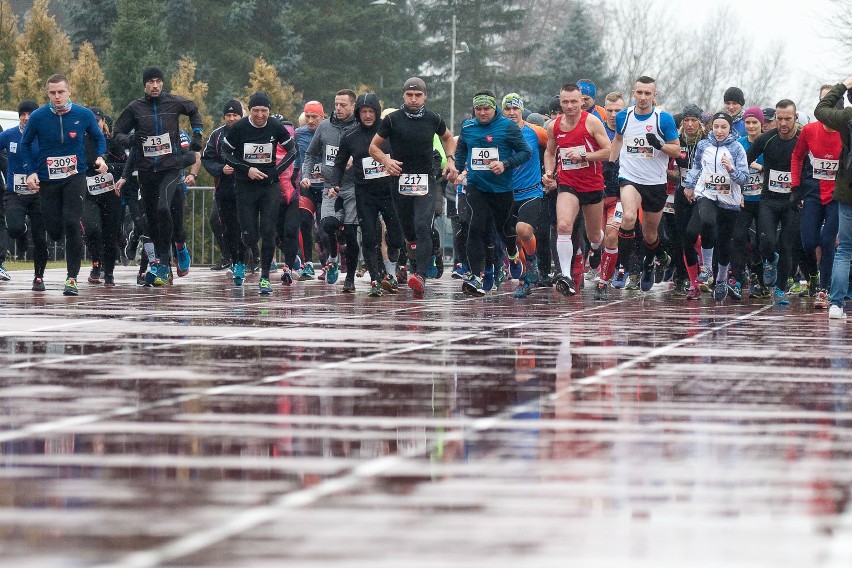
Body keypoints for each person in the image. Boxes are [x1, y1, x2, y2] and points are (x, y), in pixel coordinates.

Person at [113, 66, 204, 285]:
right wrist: (131, 140)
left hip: (170, 168)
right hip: (146, 172)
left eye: (158, 81)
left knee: (165, 208)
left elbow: (194, 110)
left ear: (163, 83)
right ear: (144, 84)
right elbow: (117, 133)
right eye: (150, 82)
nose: (155, 85)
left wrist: (197, 134)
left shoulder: (173, 103)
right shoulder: (135, 108)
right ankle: (165, 262)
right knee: (152, 221)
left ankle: (168, 259)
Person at [19, 74, 107, 296]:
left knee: (71, 223)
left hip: (74, 177)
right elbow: (25, 144)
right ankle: (56, 263)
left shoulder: (83, 114)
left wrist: (100, 157)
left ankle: (72, 278)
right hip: (48, 181)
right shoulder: (38, 117)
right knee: (55, 231)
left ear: (69, 92)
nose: (57, 97)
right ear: (47, 93)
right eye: (52, 93)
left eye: (61, 92)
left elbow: (99, 138)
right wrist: (30, 172)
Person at [369, 77, 456, 297]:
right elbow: (373, 148)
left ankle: (421, 275)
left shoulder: (433, 119)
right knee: (408, 231)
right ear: (403, 96)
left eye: (418, 95)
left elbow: (448, 138)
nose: (414, 99)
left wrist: (451, 159)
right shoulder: (392, 120)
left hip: (425, 180)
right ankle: (418, 256)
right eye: (410, 95)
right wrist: (386, 162)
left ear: (425, 96)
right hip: (400, 180)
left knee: (422, 225)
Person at [449, 89, 531, 296]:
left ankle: (512, 253)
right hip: (477, 187)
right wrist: (459, 169)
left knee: (503, 230)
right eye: (478, 109)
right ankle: (476, 275)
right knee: (477, 227)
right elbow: (461, 150)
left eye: (486, 108)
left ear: (494, 108)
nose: (482, 113)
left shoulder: (507, 126)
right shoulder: (468, 127)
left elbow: (525, 152)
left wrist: (505, 164)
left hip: (502, 189)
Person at [221, 91, 297, 294]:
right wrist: (247, 169)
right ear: (250, 110)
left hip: (269, 186)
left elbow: (293, 151)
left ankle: (264, 277)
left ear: (269, 111)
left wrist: (275, 172)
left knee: (268, 231)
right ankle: (243, 258)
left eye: (264, 111)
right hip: (245, 186)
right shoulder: (239, 127)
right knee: (250, 235)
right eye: (256, 110)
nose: (260, 115)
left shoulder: (275, 126)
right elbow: (225, 152)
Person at [609, 76, 680, 292]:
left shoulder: (663, 119)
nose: (643, 97)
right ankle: (624, 266)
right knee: (629, 217)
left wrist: (658, 144)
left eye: (647, 93)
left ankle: (650, 263)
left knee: (650, 234)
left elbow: (676, 150)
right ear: (633, 93)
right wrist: (612, 162)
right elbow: (619, 139)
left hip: (656, 183)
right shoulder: (624, 116)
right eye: (639, 93)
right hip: (630, 177)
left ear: (654, 95)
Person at [328, 93, 403, 296]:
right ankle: (375, 279)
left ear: (377, 112)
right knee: (369, 238)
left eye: (371, 112)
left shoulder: (388, 132)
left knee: (396, 239)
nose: (368, 116)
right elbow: (339, 162)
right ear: (358, 113)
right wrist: (334, 183)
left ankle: (393, 249)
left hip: (389, 192)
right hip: (365, 194)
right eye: (364, 112)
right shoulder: (351, 135)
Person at [542, 83, 612, 297]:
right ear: (560, 102)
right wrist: (549, 172)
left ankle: (598, 248)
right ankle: (566, 276)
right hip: (568, 183)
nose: (569, 106)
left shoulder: (591, 122)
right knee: (563, 225)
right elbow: (550, 152)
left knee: (592, 237)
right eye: (565, 102)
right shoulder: (554, 126)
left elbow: (608, 152)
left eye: (574, 101)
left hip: (592, 186)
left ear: (582, 101)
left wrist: (583, 156)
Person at [682, 112, 749, 301]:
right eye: (716, 127)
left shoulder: (736, 149)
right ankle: (707, 270)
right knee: (707, 222)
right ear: (711, 127)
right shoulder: (704, 145)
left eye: (724, 127)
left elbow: (744, 178)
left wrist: (731, 169)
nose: (719, 131)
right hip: (707, 194)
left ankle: (721, 279)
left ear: (730, 129)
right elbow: (696, 167)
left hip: (729, 200)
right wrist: (689, 185)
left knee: (724, 240)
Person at [300, 90, 359, 286]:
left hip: (353, 187)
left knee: (351, 234)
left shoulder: (360, 127)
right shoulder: (325, 127)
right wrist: (305, 175)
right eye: (336, 104)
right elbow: (310, 154)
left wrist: (355, 160)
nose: (339, 108)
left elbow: (373, 152)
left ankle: (350, 278)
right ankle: (333, 257)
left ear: (353, 106)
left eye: (343, 105)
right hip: (330, 186)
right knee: (327, 225)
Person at [791, 85, 842, 309]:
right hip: (812, 194)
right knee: (809, 241)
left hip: (837, 196)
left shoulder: (847, 131)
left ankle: (824, 289)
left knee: (828, 241)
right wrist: (795, 187)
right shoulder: (809, 131)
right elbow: (797, 156)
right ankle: (814, 277)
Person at [746, 99, 801, 306]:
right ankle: (771, 259)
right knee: (766, 242)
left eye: (788, 118)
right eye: (779, 119)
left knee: (786, 245)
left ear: (795, 117)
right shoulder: (766, 138)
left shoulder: (801, 139)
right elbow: (745, 159)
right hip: (769, 199)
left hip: (792, 201)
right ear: (775, 119)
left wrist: (803, 193)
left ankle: (780, 290)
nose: (784, 123)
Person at [813, 77, 852, 319]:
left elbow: (820, 109)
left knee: (845, 249)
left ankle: (836, 304)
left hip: (848, 190)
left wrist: (843, 85)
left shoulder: (846, 117)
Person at [501, 92, 546, 298]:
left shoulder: (535, 132)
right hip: (504, 193)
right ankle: (522, 273)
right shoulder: (496, 133)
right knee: (514, 239)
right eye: (508, 109)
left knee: (524, 230)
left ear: (521, 110)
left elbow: (554, 147)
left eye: (515, 108)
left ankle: (531, 264)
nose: (512, 112)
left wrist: (551, 172)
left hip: (531, 191)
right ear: (502, 111)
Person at [0, 100, 43, 289]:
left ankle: (38, 277)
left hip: (38, 193)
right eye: (23, 114)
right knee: (14, 228)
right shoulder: (9, 135)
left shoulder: (43, 136)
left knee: (40, 237)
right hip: (15, 192)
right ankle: (22, 230)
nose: (26, 117)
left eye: (30, 114)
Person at [731, 106, 769, 299]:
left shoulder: (768, 142)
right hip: (744, 200)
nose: (751, 126)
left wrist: (758, 166)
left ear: (761, 124)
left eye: (755, 122)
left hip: (764, 201)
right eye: (748, 122)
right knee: (738, 239)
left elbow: (777, 169)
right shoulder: (738, 144)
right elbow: (730, 173)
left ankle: (759, 280)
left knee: (760, 242)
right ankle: (737, 280)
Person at [82, 106, 122, 286]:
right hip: (88, 193)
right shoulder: (81, 142)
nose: (94, 124)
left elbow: (126, 164)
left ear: (103, 122)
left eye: (97, 120)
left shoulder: (112, 142)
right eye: (90, 120)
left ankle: (109, 272)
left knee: (110, 232)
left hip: (110, 193)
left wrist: (110, 167)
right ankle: (96, 261)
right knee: (92, 228)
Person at [202, 99, 244, 273]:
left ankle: (250, 258)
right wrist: (221, 169)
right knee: (217, 221)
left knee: (245, 225)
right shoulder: (217, 135)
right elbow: (207, 157)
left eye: (235, 115)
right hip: (223, 188)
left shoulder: (250, 132)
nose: (232, 118)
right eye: (229, 115)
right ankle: (228, 256)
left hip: (245, 187)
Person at [294, 100, 325, 279]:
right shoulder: (299, 134)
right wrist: (295, 178)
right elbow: (298, 158)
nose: (311, 120)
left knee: (323, 228)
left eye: (315, 117)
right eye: (308, 116)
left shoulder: (330, 130)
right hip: (307, 184)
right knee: (304, 222)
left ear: (322, 117)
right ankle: (308, 264)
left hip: (326, 187)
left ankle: (329, 262)